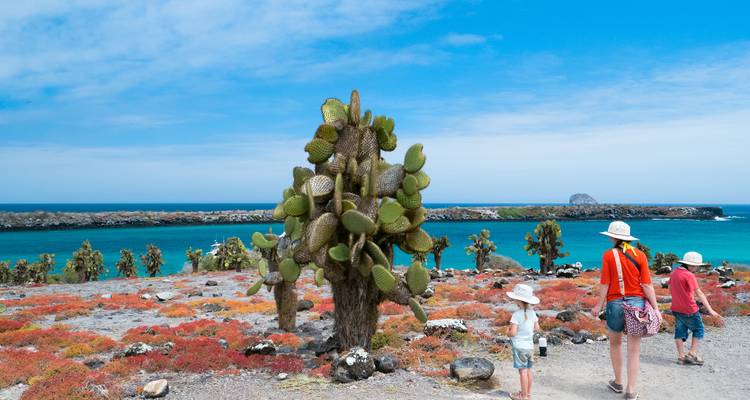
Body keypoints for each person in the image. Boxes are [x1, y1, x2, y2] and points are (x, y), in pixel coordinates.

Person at [591, 221, 661, 400]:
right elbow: (646, 284)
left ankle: (617, 382)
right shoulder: (640, 255)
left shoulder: (608, 255)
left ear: (613, 237)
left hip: (615, 304)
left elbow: (605, 283)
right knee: (634, 350)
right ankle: (630, 390)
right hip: (637, 305)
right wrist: (656, 308)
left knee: (615, 344)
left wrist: (599, 305)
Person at [670, 251, 723, 365]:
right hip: (689, 308)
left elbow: (673, 289)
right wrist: (711, 310)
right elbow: (699, 293)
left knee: (679, 332)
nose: (698, 269)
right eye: (697, 266)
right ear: (691, 265)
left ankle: (681, 357)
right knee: (698, 329)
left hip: (676, 308)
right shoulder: (689, 275)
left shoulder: (674, 273)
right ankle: (692, 354)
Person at [507, 284, 540, 400]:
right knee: (529, 370)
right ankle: (528, 393)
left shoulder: (516, 315)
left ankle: (523, 396)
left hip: (519, 346)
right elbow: (537, 328)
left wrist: (508, 332)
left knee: (523, 372)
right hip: (529, 346)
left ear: (517, 300)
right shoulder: (533, 313)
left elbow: (513, 333)